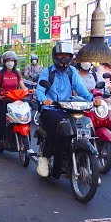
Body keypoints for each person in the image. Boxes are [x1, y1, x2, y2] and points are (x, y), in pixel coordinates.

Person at [35, 41, 101, 179]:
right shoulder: (46, 72)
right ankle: (45, 158)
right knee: (59, 124)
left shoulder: (72, 72)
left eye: (66, 55)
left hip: (68, 108)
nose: (63, 58)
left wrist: (92, 100)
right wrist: (44, 99)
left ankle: (83, 161)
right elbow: (40, 90)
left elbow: (81, 89)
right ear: (55, 56)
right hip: (50, 108)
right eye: (60, 55)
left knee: (84, 123)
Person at [0, 50, 32, 162]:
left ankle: (26, 142)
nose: (10, 62)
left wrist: (30, 91)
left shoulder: (17, 73)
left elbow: (22, 86)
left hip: (15, 100)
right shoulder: (0, 74)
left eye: (12, 60)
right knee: (1, 123)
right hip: (3, 100)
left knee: (26, 118)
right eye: (8, 60)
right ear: (4, 62)